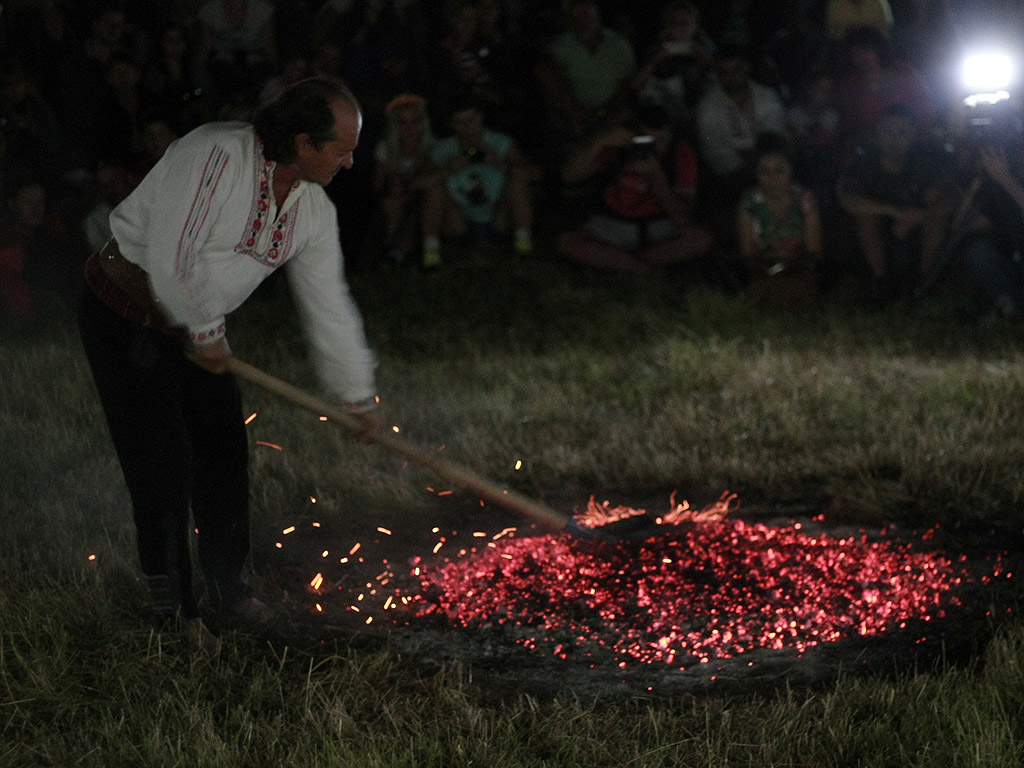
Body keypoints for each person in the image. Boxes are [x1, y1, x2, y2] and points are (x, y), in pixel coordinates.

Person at [77, 77, 382, 648]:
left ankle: (231, 589)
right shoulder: (215, 151)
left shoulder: (312, 210)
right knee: (162, 462)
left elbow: (328, 303)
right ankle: (177, 615)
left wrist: (356, 396)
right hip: (126, 314)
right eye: (341, 147)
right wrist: (208, 329)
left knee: (223, 453)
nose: (350, 159)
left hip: (196, 329)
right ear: (301, 142)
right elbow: (175, 252)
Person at [557, 102, 712, 273]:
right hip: (612, 223)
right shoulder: (618, 147)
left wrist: (657, 177)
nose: (652, 148)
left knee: (699, 240)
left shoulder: (680, 154)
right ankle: (641, 267)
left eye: (660, 140)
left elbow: (683, 219)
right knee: (567, 242)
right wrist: (599, 142)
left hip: (659, 226)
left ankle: (626, 264)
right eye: (646, 140)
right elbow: (569, 176)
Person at [836, 102, 954, 301]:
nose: (894, 138)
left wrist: (921, 215)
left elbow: (950, 197)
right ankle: (881, 283)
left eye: (902, 132)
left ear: (913, 135)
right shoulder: (863, 165)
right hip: (877, 236)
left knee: (936, 220)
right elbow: (848, 198)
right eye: (888, 131)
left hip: (917, 233)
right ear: (878, 133)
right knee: (866, 217)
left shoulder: (925, 164)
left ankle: (924, 283)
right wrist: (896, 212)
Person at [420, 97, 537, 268]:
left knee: (517, 180)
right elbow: (416, 184)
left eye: (471, 120)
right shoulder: (443, 150)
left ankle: (523, 246)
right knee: (433, 188)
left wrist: (501, 164)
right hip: (458, 222)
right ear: (451, 125)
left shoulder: (501, 143)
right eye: (460, 122)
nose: (468, 127)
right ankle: (431, 253)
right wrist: (448, 169)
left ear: (481, 118)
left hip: (500, 219)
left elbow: (534, 174)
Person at [736, 132, 823, 310]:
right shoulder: (750, 202)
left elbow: (814, 250)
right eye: (765, 171)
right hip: (763, 272)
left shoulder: (805, 200)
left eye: (780, 170)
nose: (772, 179)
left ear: (791, 169)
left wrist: (792, 265)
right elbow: (747, 252)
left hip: (799, 271)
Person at [372, 93, 437, 266]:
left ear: (423, 122)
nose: (409, 128)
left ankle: (397, 251)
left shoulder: (434, 148)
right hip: (394, 200)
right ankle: (393, 249)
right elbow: (378, 184)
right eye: (402, 122)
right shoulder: (385, 148)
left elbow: (430, 181)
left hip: (425, 200)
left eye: (414, 121)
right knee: (395, 186)